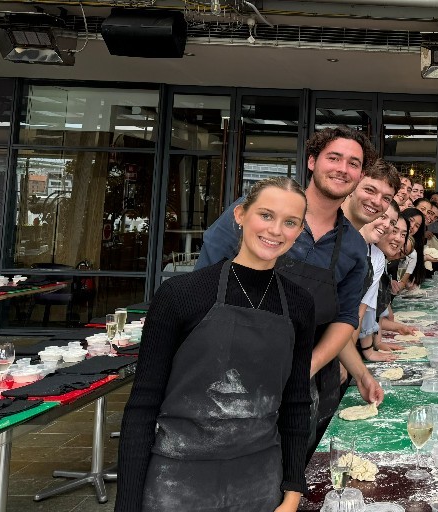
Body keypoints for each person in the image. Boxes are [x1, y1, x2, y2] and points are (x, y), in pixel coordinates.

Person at [117, 178, 315, 512]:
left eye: (290, 222)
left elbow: (296, 403)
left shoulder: (299, 304)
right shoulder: (181, 295)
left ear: (298, 231)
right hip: (176, 484)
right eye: (266, 215)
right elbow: (142, 406)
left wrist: (293, 491)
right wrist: (127, 505)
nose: (276, 230)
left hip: (260, 485)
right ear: (240, 215)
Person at [194, 127, 385, 461]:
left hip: (304, 386)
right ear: (312, 161)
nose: (343, 168)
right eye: (334, 158)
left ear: (359, 175)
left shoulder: (354, 247)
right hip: (229, 374)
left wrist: (307, 367)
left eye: (353, 163)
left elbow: (344, 319)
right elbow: (204, 283)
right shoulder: (258, 211)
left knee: (294, 474)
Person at [356, 199, 401, 362]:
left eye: (392, 222)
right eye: (383, 216)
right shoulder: (347, 243)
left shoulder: (376, 257)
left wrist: (368, 351)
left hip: (349, 339)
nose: (387, 225)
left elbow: (363, 312)